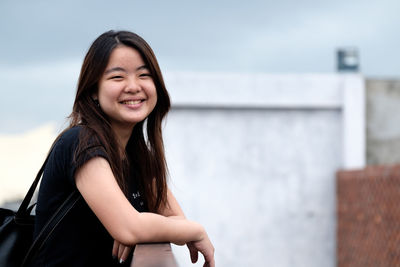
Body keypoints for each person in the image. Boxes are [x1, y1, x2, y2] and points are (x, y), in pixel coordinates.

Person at [30, 30, 215, 267]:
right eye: (117, 77)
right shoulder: (81, 142)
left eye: (144, 75)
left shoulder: (138, 155)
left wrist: (141, 226)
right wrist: (193, 230)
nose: (133, 86)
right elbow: (131, 228)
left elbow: (173, 218)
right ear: (93, 90)